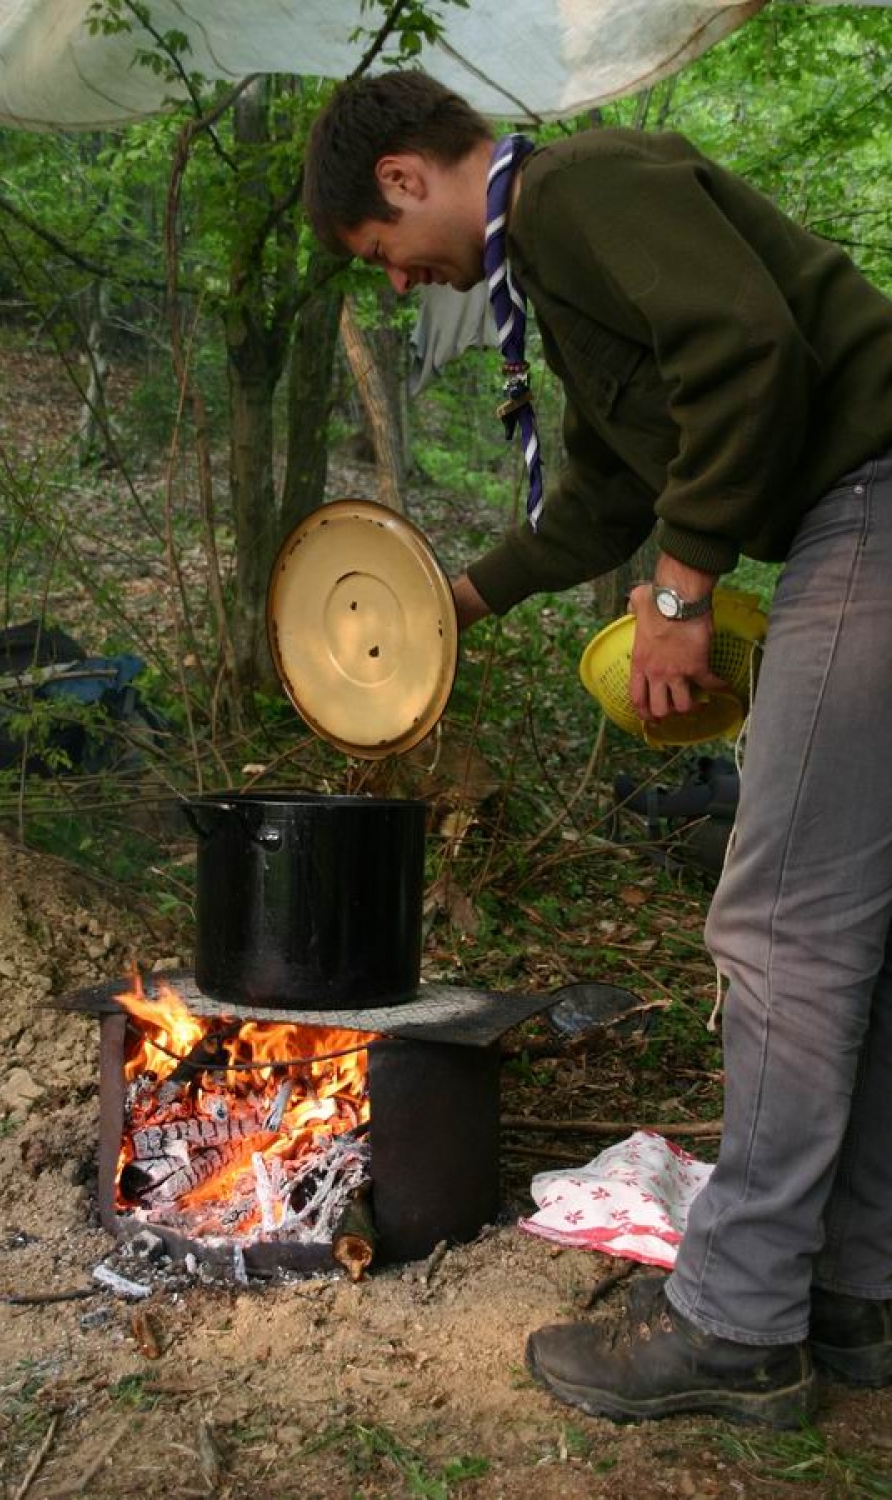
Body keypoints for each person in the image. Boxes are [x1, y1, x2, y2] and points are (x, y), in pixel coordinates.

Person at [303, 71, 892, 1430]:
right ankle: (846, 1293)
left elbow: (748, 351)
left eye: (379, 260)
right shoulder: (560, 263)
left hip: (867, 511)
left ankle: (738, 1326)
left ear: (403, 179)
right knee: (857, 930)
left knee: (784, 927)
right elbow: (612, 488)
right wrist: (443, 610)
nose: (396, 286)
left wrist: (681, 593)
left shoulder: (581, 191)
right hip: (860, 511)